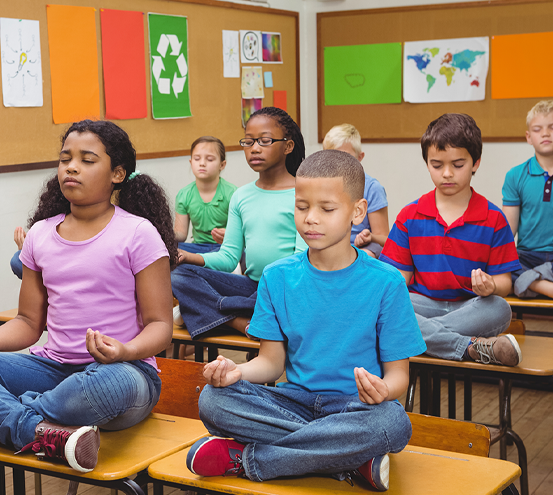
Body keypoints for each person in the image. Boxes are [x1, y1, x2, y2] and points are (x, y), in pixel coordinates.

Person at [0, 120, 177, 473]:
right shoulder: (40, 235)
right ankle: (36, 430)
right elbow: (28, 323)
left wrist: (125, 350)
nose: (71, 167)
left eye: (87, 160)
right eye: (65, 158)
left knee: (110, 384)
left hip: (122, 373)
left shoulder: (138, 233)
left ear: (117, 173)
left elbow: (161, 325)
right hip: (53, 371)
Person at [185, 150, 425, 491]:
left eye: (326, 209)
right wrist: (237, 373)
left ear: (358, 211)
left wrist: (385, 389)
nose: (310, 218)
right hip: (292, 401)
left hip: (354, 408)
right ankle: (347, 461)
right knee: (213, 399)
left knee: (392, 423)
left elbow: (399, 374)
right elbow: (270, 363)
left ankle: (251, 461)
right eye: (301, 207)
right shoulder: (277, 276)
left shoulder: (387, 283)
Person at [380, 113, 522, 366]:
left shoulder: (494, 218)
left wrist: (491, 286)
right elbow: (395, 280)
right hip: (422, 304)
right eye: (437, 165)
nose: (447, 173)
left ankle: (412, 336)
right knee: (384, 304)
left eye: (458, 165)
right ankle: (470, 348)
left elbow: (504, 283)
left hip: (471, 307)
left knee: (500, 308)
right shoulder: (410, 215)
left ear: (475, 163)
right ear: (427, 164)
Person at [172, 107, 307, 338]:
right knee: (178, 275)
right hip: (250, 287)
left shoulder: (303, 193)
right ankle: (238, 320)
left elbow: (300, 261)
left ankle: (208, 310)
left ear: (288, 146)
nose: (254, 148)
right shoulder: (242, 196)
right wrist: (187, 256)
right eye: (248, 142)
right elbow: (228, 258)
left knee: (271, 294)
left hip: (285, 287)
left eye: (264, 141)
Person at [502, 100, 553, 298]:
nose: (545, 133)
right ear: (529, 137)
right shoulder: (515, 175)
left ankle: (529, 283)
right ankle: (545, 287)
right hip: (527, 256)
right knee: (500, 263)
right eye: (537, 129)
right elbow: (508, 231)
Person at [322, 124, 388, 258]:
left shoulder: (371, 188)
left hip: (363, 249)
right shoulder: (321, 187)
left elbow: (385, 239)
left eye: (345, 157)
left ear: (359, 157)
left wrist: (369, 238)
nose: (338, 164)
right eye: (331, 158)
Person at [174, 136, 237, 255]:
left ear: (222, 165)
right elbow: (180, 234)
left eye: (210, 159)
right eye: (197, 159)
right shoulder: (184, 194)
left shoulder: (233, 193)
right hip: (197, 248)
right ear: (191, 162)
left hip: (225, 247)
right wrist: (160, 231)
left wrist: (230, 234)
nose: (202, 163)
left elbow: (243, 232)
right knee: (172, 250)